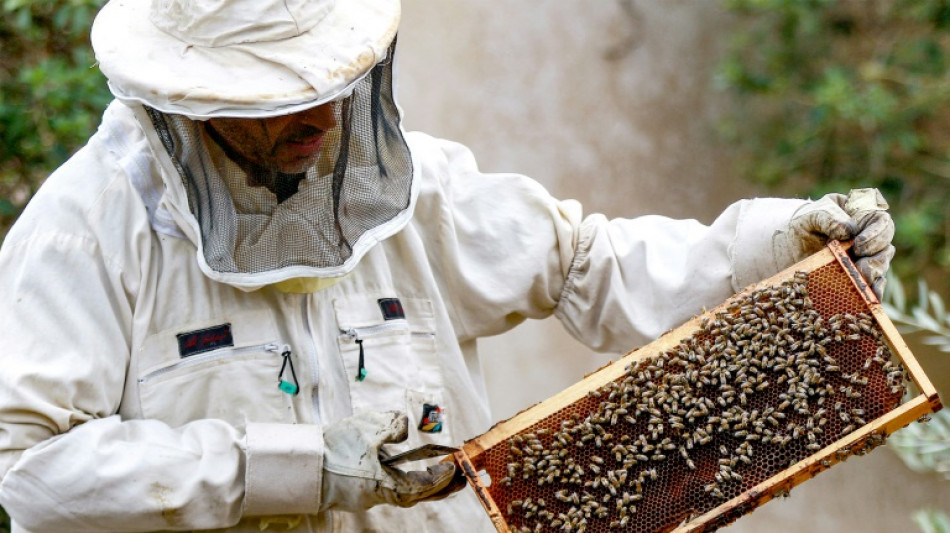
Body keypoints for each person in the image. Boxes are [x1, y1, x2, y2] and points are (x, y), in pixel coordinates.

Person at [0, 1, 895, 532]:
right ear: (187, 105)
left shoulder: (411, 188)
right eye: (282, 100)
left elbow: (586, 263)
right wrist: (299, 466)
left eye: (334, 83)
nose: (323, 115)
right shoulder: (85, 234)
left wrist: (774, 250)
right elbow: (31, 469)